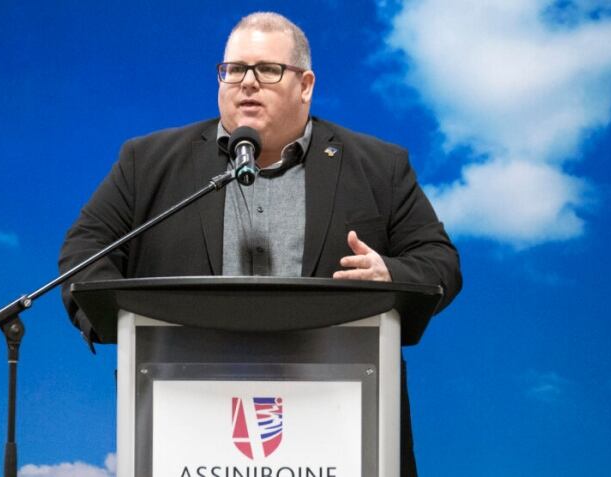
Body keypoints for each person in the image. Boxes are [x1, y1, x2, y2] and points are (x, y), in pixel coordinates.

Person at [59, 12, 461, 475]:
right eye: (234, 70)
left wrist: (389, 275)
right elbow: (84, 254)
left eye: (268, 70)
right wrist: (122, 316)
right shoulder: (147, 163)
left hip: (340, 424)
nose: (247, 83)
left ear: (305, 85)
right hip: (185, 417)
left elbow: (439, 262)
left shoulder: (379, 167)